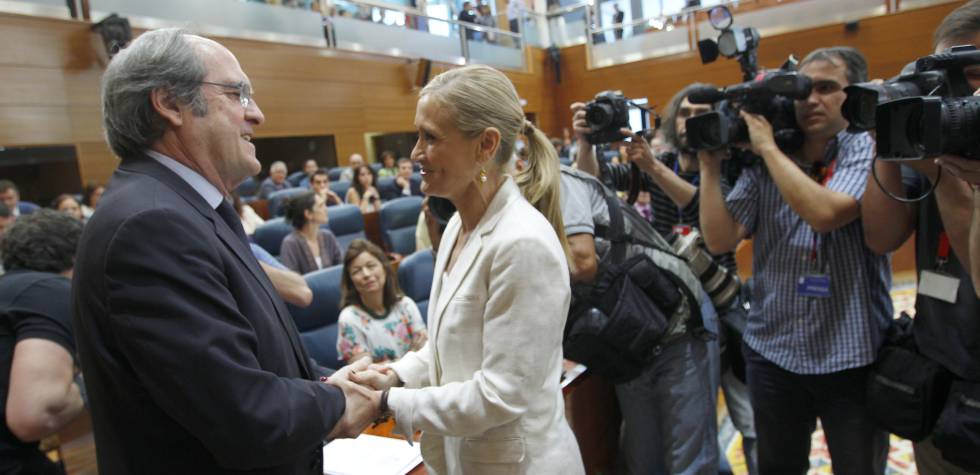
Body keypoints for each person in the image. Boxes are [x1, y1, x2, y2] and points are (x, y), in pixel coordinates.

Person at [72, 28, 380, 474]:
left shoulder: (188, 208)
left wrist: (327, 381)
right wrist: (336, 401)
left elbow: (244, 358)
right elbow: (244, 413)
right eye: (238, 94)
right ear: (170, 103)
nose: (257, 114)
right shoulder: (151, 226)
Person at [344, 64, 584, 475]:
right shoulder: (457, 224)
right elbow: (448, 351)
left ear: (486, 145)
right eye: (417, 136)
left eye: (430, 137)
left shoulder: (521, 244)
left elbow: (499, 396)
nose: (415, 153)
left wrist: (385, 404)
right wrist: (393, 376)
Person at [698, 46, 891, 474]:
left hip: (852, 350)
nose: (811, 100)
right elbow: (719, 237)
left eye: (826, 88)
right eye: (804, 90)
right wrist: (710, 167)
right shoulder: (771, 155)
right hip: (774, 349)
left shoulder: (864, 146)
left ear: (853, 93)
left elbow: (826, 214)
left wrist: (767, 149)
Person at [863, 3, 980, 472]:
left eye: (970, 75)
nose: (953, 95)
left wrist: (950, 179)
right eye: (940, 76)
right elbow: (881, 236)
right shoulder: (934, 146)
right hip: (941, 374)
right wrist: (888, 140)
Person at [0, 210, 85, 475]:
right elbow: (35, 414)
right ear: (78, 257)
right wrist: (85, 387)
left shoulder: (10, 291)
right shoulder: (49, 289)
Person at [336, 239, 426, 364]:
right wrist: (412, 354)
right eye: (357, 271)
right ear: (350, 280)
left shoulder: (406, 305)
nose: (366, 274)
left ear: (384, 267)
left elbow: (425, 353)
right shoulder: (349, 319)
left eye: (371, 266)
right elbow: (365, 375)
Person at [280, 191, 343, 275]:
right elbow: (293, 280)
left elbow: (341, 268)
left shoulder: (328, 236)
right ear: (308, 214)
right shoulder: (290, 244)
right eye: (321, 206)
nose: (326, 209)